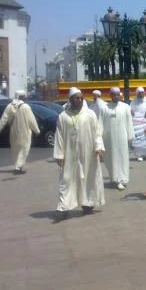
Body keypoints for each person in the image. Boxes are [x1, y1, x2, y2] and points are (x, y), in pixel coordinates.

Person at [53, 87, 105, 221]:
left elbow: (97, 132)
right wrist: (59, 155)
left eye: (81, 98)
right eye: (76, 98)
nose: (80, 100)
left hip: (88, 153)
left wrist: (99, 147)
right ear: (70, 100)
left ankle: (87, 203)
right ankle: (63, 207)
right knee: (66, 180)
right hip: (69, 154)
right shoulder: (63, 116)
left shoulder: (90, 114)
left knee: (88, 178)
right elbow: (59, 137)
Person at [0, 90, 40, 174]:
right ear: (22, 97)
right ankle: (18, 167)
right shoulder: (26, 107)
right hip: (25, 131)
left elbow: (3, 119)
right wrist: (37, 130)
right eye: (24, 96)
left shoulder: (9, 106)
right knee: (24, 148)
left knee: (15, 149)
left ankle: (17, 166)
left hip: (13, 131)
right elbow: (32, 120)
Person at [99, 87, 134, 190]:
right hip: (109, 138)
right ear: (110, 95)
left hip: (122, 136)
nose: (116, 96)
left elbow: (129, 122)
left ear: (120, 95)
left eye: (117, 94)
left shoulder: (125, 107)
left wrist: (130, 136)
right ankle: (114, 178)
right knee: (111, 158)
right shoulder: (104, 108)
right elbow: (100, 124)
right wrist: (99, 138)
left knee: (122, 157)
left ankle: (122, 179)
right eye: (114, 94)